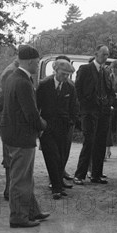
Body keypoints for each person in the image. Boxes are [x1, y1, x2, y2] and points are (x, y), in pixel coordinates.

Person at [0, 45, 49, 228]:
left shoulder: (13, 78)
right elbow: (31, 113)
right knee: (21, 178)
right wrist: (43, 126)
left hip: (13, 134)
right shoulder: (23, 82)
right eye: (36, 63)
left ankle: (31, 211)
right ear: (29, 62)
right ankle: (18, 217)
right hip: (22, 136)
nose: (37, 66)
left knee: (24, 176)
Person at [36, 58, 77, 199]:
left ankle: (58, 184)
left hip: (63, 127)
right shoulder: (44, 84)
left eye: (68, 74)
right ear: (55, 70)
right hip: (47, 126)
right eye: (63, 73)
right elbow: (36, 106)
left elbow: (74, 107)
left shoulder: (70, 87)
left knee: (61, 157)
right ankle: (56, 188)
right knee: (51, 157)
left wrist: (71, 122)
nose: (65, 77)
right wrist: (39, 125)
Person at [74, 45, 113, 185]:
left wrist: (109, 103)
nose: (105, 57)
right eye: (103, 54)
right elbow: (77, 89)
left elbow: (109, 90)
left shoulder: (106, 71)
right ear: (96, 53)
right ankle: (79, 175)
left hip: (103, 112)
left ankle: (96, 174)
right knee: (89, 142)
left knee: (101, 143)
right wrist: (84, 105)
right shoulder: (85, 69)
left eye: (107, 55)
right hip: (89, 112)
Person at [0, 57, 19, 201]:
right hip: (10, 119)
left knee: (11, 156)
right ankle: (9, 189)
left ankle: (11, 189)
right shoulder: (11, 71)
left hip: (11, 118)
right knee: (10, 156)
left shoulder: (14, 69)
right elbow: (1, 94)